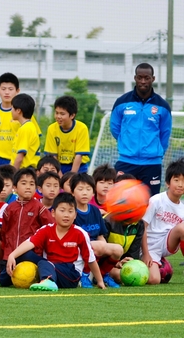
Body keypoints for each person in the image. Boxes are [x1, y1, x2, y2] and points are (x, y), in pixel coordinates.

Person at [7, 192, 106, 291]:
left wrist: (100, 281)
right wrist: (12, 255)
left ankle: (48, 281)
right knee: (23, 254)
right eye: (62, 211)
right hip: (50, 266)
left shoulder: (80, 233)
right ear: (53, 213)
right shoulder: (46, 229)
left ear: (75, 215)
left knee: (44, 264)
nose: (66, 215)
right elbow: (30, 243)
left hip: (71, 274)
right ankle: (2, 280)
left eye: (70, 211)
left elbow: (91, 260)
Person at [110, 63, 171, 196]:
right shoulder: (121, 102)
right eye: (140, 77)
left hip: (152, 164)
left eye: (147, 78)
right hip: (126, 161)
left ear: (153, 79)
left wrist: (155, 152)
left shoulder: (163, 106)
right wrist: (127, 142)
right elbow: (115, 128)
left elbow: (165, 134)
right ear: (135, 78)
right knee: (121, 201)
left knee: (150, 203)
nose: (143, 81)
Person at [0, 168, 54, 287]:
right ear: (15, 187)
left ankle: (47, 271)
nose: (28, 187)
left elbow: (50, 228)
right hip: (11, 255)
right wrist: (7, 255)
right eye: (23, 183)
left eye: (31, 184)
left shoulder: (39, 207)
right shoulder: (9, 208)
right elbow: (5, 233)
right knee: (3, 281)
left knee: (25, 254)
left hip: (31, 254)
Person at [70, 173, 122, 288]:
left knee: (118, 249)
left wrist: (105, 247)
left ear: (93, 193)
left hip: (95, 249)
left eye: (88, 189)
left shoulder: (95, 211)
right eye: (80, 189)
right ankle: (84, 275)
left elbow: (100, 235)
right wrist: (101, 246)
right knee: (98, 246)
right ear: (72, 192)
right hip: (77, 249)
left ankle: (103, 274)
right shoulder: (70, 211)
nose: (85, 192)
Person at [0, 73, 42, 171]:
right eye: (3, 89)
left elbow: (33, 139)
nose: (7, 92)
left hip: (15, 160)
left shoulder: (25, 115)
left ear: (17, 91)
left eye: (10, 89)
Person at [142, 158, 184, 284]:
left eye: (183, 181)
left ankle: (160, 261)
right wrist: (146, 254)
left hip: (167, 243)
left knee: (183, 228)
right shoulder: (156, 200)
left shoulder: (182, 208)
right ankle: (158, 262)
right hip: (149, 245)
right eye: (176, 180)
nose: (180, 184)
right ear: (167, 183)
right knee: (154, 280)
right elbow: (142, 227)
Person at [105, 174, 148, 284]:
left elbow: (133, 253)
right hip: (105, 263)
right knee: (119, 276)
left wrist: (128, 262)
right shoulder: (107, 221)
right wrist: (116, 263)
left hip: (121, 263)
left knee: (151, 278)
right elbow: (99, 252)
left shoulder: (139, 224)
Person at [44, 95, 90, 174]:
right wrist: (60, 175)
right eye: (56, 113)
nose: (58, 116)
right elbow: (53, 156)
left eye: (62, 114)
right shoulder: (51, 129)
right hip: (58, 167)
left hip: (78, 167)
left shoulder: (82, 128)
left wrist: (71, 177)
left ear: (72, 115)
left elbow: (79, 155)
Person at [10, 94, 40, 170]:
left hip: (24, 170)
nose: (11, 111)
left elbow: (20, 157)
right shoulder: (27, 127)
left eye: (12, 108)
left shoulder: (26, 129)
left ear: (18, 111)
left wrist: (13, 175)